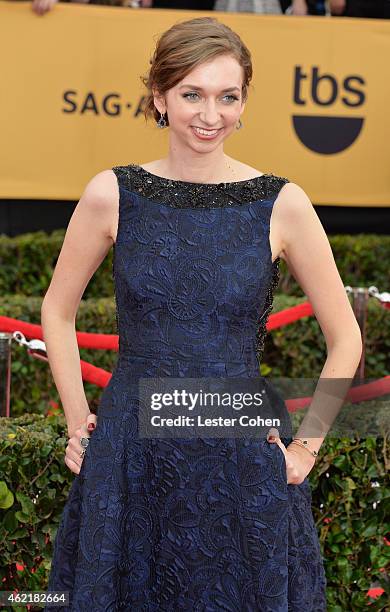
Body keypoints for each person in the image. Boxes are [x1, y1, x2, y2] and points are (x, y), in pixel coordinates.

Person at [42, 15, 362, 610]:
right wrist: (77, 420)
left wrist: (306, 451)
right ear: (160, 97)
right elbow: (57, 311)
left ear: (244, 103)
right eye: (192, 93)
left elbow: (346, 338)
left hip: (239, 454)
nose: (210, 115)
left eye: (227, 96)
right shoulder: (112, 194)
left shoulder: (282, 204)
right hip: (132, 451)